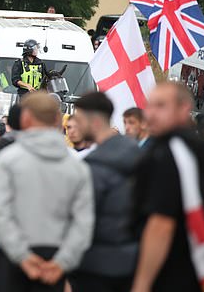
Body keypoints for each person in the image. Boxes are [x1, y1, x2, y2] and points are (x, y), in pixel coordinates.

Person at [0, 92, 94, 292]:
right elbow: (83, 222)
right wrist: (63, 262)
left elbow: (0, 213)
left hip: (12, 258)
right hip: (55, 260)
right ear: (57, 119)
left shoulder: (8, 159)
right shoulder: (77, 165)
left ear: (25, 117)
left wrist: (23, 256)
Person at [131, 82, 204, 292]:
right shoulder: (202, 150)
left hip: (172, 271)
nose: (151, 114)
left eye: (161, 106)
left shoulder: (168, 154)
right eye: (149, 106)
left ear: (184, 109)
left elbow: (161, 225)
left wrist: (142, 283)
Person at [70, 92, 141, 291]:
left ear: (93, 121)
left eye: (79, 119)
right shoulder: (137, 153)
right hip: (131, 261)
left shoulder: (93, 166)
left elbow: (81, 221)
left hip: (95, 267)